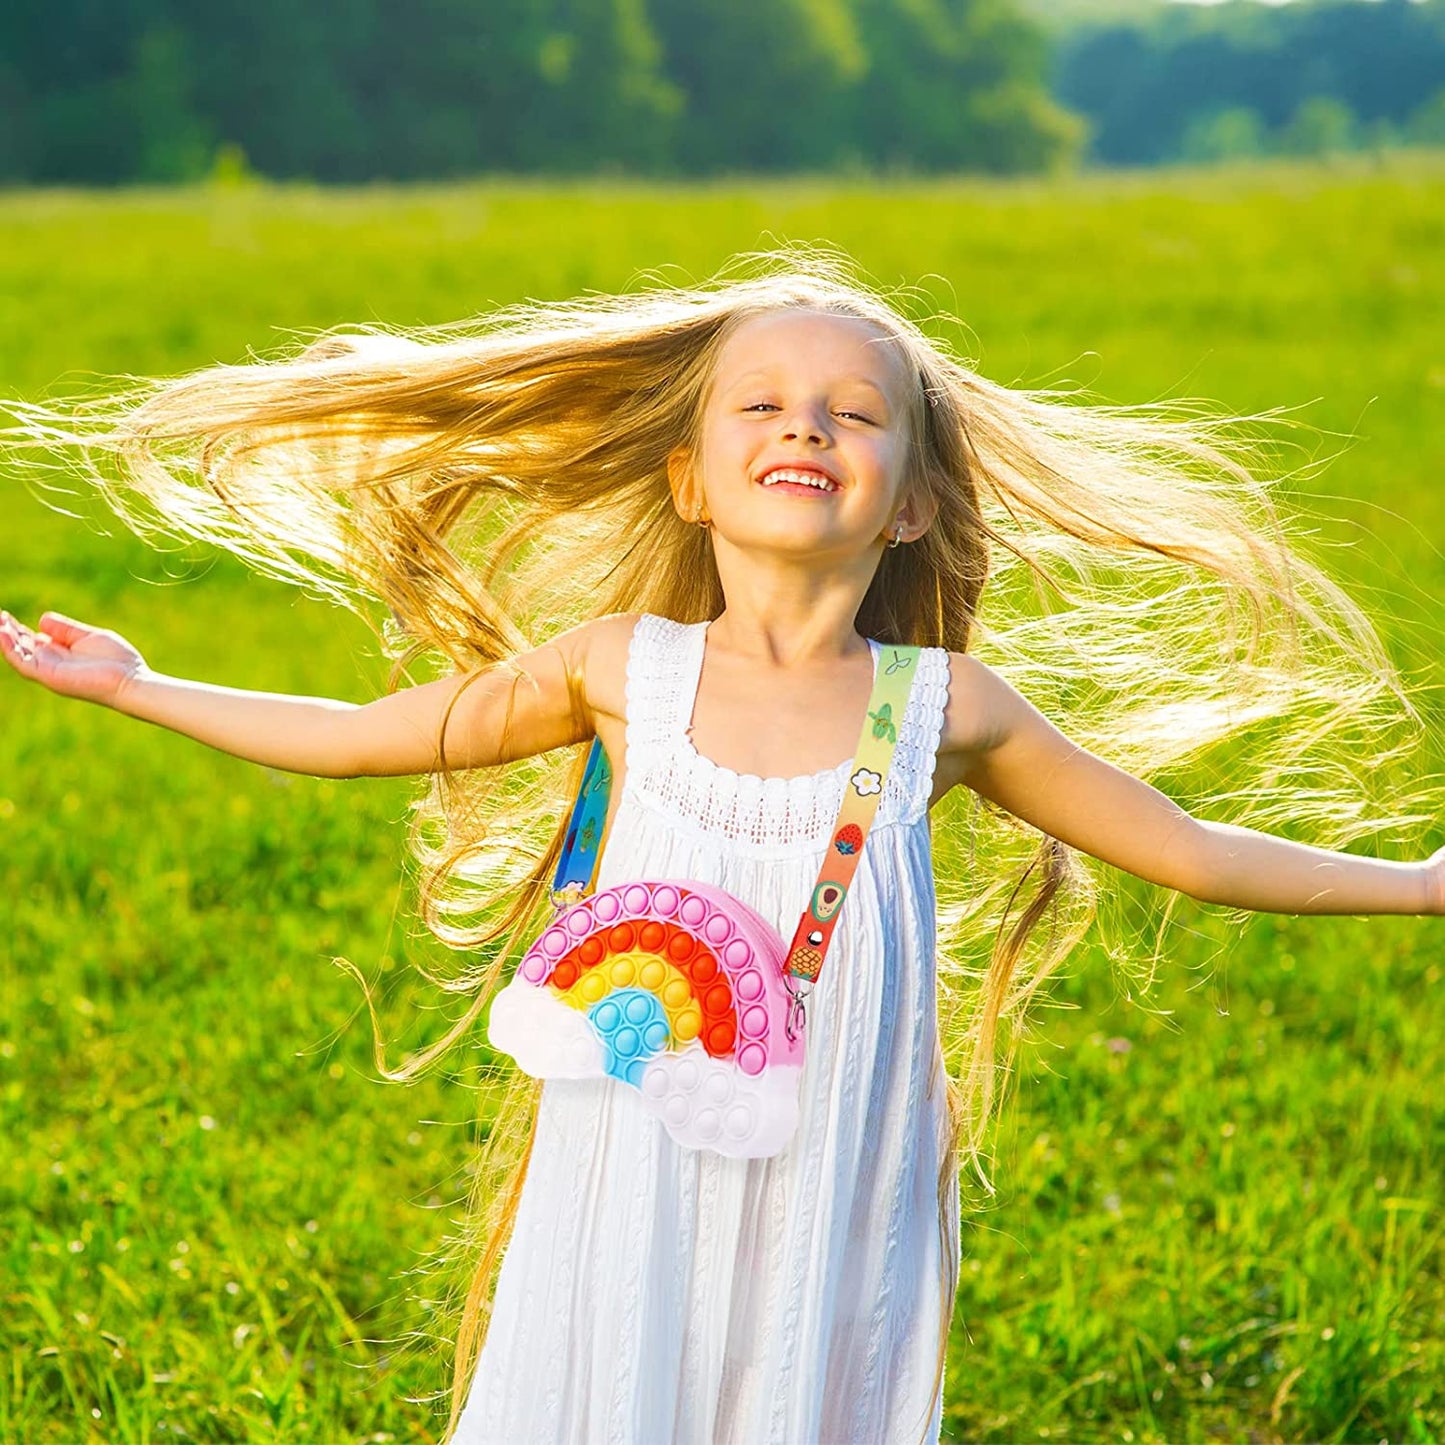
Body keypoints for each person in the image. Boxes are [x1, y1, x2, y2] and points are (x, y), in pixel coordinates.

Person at [1, 248, 1439, 1444]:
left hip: (836, 1180)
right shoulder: (623, 667)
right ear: (690, 479)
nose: (805, 428)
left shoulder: (944, 710)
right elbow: (371, 730)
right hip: (632, 1163)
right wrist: (140, 685)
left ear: (916, 500)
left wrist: (1422, 885)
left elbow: (1182, 846)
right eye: (762, 404)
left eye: (854, 414)